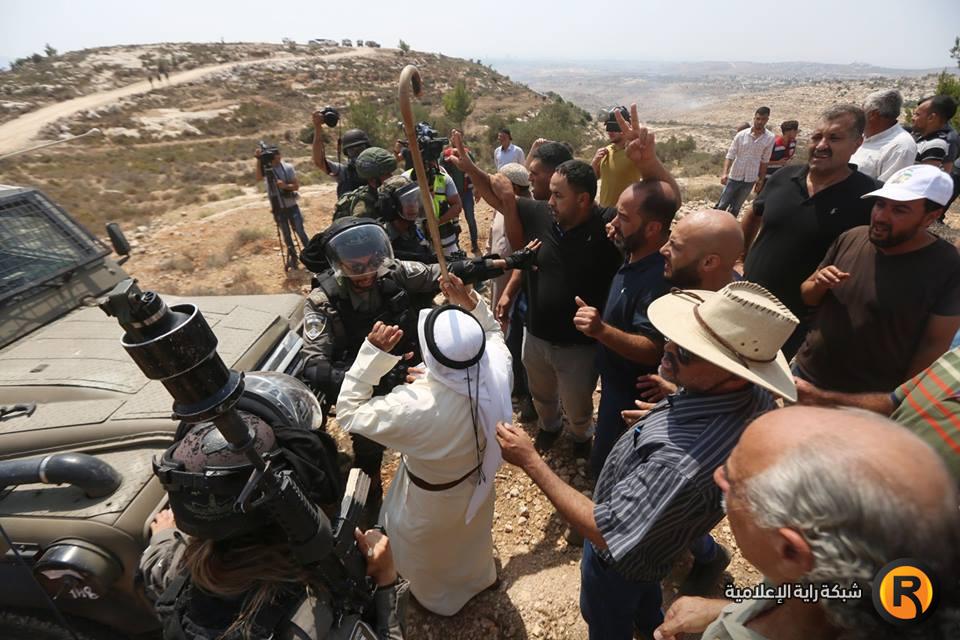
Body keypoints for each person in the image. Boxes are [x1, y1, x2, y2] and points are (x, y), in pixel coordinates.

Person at [497, 281, 798, 640]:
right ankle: (650, 624)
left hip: (618, 562)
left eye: (686, 351)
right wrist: (674, 405)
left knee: (607, 619)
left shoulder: (676, 465)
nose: (667, 348)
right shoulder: (753, 396)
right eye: (674, 337)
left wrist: (531, 461)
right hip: (656, 552)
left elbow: (605, 531)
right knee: (646, 596)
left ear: (732, 374)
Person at [654, 406, 960, 640]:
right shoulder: (824, 580)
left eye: (732, 481)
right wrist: (722, 610)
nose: (717, 475)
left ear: (790, 551)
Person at [297, 217, 538, 510]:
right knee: (368, 453)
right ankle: (371, 506)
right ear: (338, 265)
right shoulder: (322, 301)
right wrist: (381, 377)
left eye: (371, 263)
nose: (366, 274)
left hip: (415, 375)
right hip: (363, 387)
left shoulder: (393, 271)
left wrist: (507, 262)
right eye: (355, 268)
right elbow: (314, 366)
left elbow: (446, 273)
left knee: (429, 435)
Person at [140, 396, 408, 639]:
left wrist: (163, 535)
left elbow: (157, 567)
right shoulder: (313, 615)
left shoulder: (186, 573)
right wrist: (386, 579)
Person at [336, 274, 510, 616]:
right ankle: (481, 580)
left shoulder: (413, 406)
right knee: (471, 541)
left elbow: (349, 413)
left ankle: (438, 603)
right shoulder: (498, 369)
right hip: (477, 486)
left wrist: (372, 354)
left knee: (429, 553)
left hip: (429, 501)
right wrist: (470, 301)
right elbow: (492, 333)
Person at [573, 107, 681, 479]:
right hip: (614, 380)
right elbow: (663, 201)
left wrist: (601, 330)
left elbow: (651, 348)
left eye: (624, 218)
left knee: (612, 463)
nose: (614, 223)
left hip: (631, 390)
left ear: (652, 229)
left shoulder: (658, 278)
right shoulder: (636, 250)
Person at [793, 164, 960, 393]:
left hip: (861, 400)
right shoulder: (852, 237)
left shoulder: (948, 268)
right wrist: (819, 284)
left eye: (899, 210)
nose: (881, 217)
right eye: (880, 204)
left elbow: (933, 346)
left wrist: (896, 403)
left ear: (930, 217)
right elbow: (808, 296)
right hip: (802, 376)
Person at [742, 104, 877, 359]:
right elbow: (753, 214)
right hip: (747, 299)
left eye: (834, 138)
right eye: (817, 137)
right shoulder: (784, 177)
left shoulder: (869, 196)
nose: (821, 145)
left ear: (857, 144)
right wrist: (741, 259)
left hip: (797, 320)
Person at [255, 145, 309, 270]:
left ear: (279, 155)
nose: (275, 158)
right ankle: (293, 258)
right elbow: (258, 178)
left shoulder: (287, 168)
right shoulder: (266, 169)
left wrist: (284, 186)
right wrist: (258, 160)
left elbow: (296, 186)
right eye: (272, 156)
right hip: (278, 208)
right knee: (286, 235)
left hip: (291, 206)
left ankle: (311, 254)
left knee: (300, 231)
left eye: (276, 155)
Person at [716, 107, 775, 215]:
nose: (760, 122)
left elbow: (765, 160)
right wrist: (724, 173)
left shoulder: (770, 138)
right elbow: (730, 155)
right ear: (754, 118)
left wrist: (761, 180)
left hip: (750, 178)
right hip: (734, 176)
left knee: (736, 207)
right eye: (758, 118)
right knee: (722, 205)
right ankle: (716, 224)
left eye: (763, 119)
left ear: (767, 120)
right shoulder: (741, 135)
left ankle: (731, 225)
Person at [849, 89, 917, 181]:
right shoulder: (862, 135)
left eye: (862, 109)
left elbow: (889, 186)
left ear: (873, 114)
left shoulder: (900, 146)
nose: (859, 115)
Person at [912, 95, 960, 214]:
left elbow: (944, 171)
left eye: (917, 114)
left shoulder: (946, 140)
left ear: (931, 117)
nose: (913, 118)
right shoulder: (921, 133)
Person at [592, 106, 642, 207]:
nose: (610, 132)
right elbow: (593, 178)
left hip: (625, 212)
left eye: (614, 127)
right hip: (604, 211)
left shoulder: (635, 153)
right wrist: (594, 163)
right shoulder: (606, 151)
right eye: (608, 126)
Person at [311, 113, 371, 197]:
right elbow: (319, 162)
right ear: (347, 153)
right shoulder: (344, 172)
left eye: (360, 149)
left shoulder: (379, 168)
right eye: (352, 151)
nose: (357, 154)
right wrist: (318, 128)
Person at [332, 147, 397, 220]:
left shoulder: (392, 193)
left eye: (390, 174)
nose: (391, 178)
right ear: (373, 181)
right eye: (386, 176)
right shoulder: (363, 209)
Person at [443, 139, 480, 255]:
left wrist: (477, 188)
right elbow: (441, 170)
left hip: (466, 192)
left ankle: (474, 243)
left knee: (470, 219)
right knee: (454, 222)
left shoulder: (466, 153)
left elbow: (474, 170)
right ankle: (456, 246)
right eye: (453, 137)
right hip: (453, 195)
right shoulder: (445, 154)